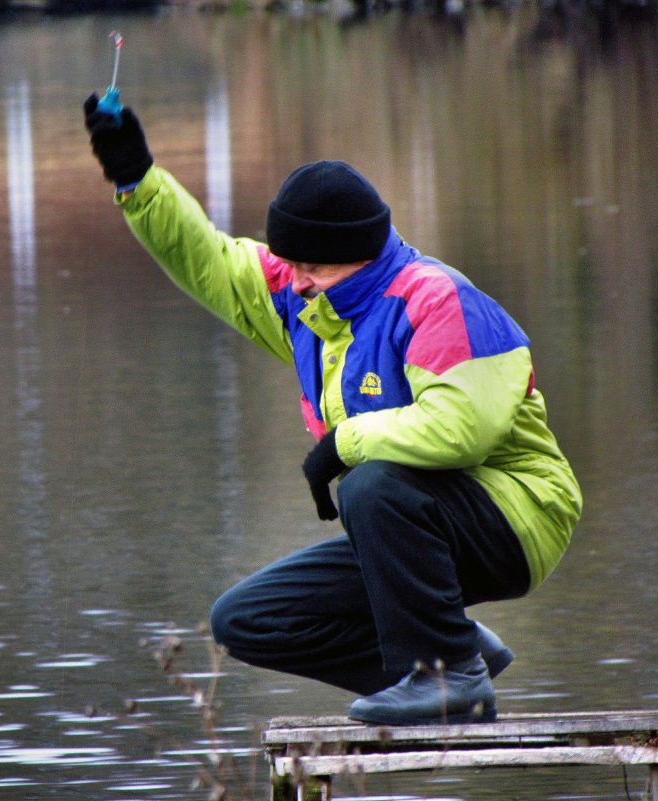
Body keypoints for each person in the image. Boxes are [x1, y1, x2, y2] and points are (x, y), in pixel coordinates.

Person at [83, 94, 582, 726]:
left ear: (360, 255)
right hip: (409, 527)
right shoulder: (307, 302)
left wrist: (340, 447)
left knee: (370, 484)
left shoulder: (439, 301)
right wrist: (136, 176)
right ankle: (446, 657)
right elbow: (208, 259)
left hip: (518, 513)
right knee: (244, 621)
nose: (294, 281)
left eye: (311, 266)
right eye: (289, 264)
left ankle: (454, 674)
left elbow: (462, 433)